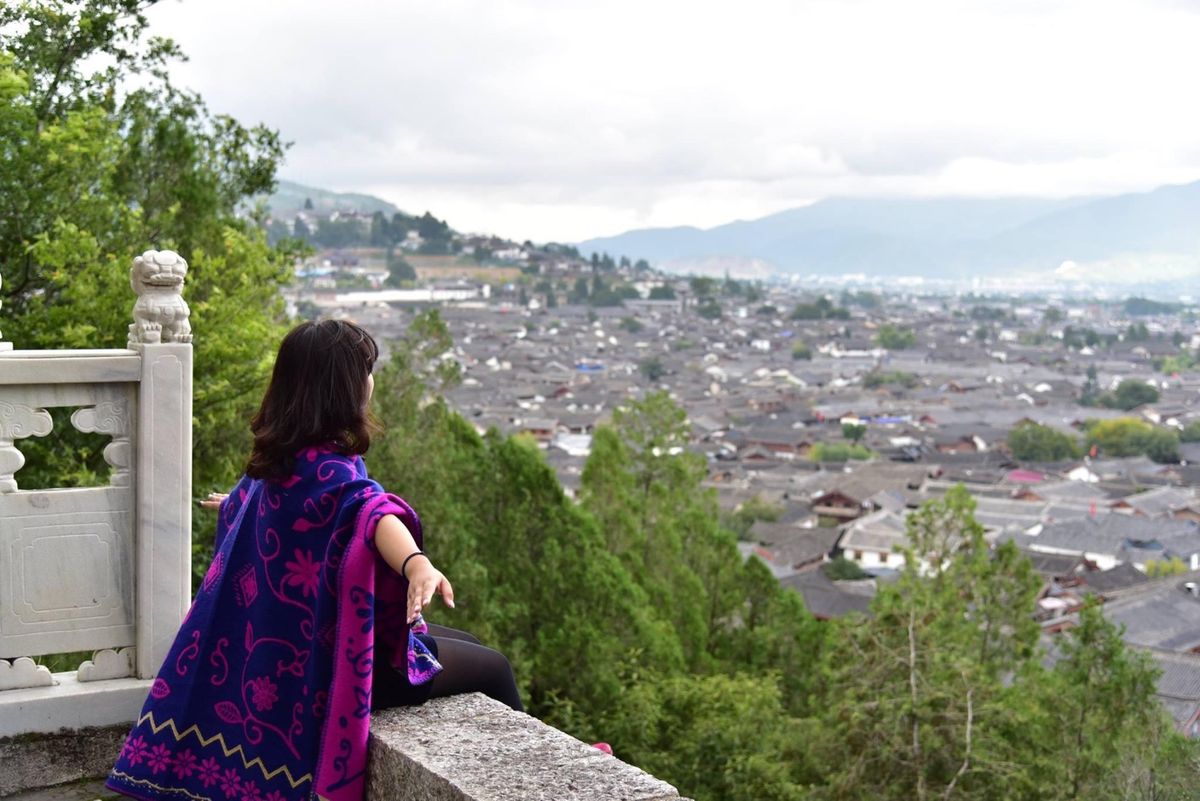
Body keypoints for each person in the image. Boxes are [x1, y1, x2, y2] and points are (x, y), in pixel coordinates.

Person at [106, 319, 521, 801]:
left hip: (287, 660)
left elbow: (273, 508)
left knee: (462, 641)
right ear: (344, 388)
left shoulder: (278, 463)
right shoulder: (332, 473)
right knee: (493, 667)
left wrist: (236, 506)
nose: (371, 381)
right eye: (367, 371)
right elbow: (373, 514)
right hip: (329, 673)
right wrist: (416, 565)